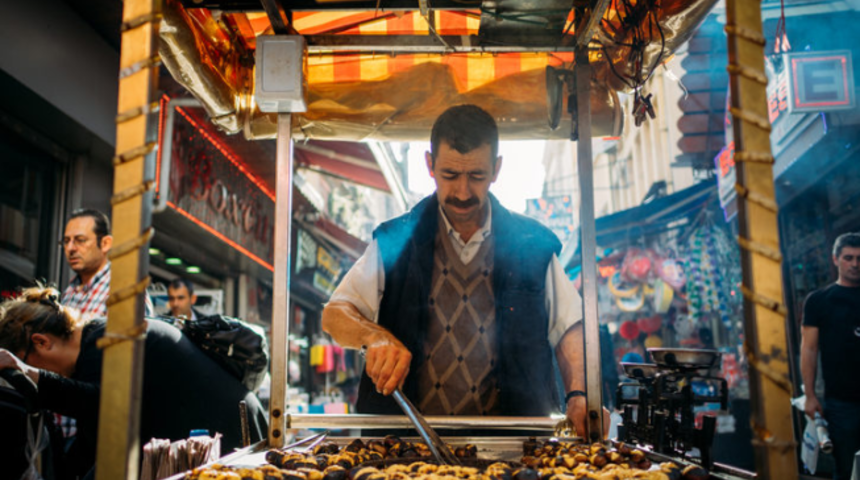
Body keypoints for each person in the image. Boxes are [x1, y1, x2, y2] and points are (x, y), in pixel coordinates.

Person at [322, 104, 591, 434]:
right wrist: (374, 336)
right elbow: (335, 313)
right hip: (409, 444)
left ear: (496, 169)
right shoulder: (397, 239)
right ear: (430, 164)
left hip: (515, 446)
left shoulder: (531, 243)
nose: (463, 192)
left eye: (476, 176)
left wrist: (579, 394)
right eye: (450, 175)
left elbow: (569, 326)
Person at [0, 286, 267, 480]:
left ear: (41, 342)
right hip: (219, 439)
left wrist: (24, 371)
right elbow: (91, 444)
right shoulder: (95, 347)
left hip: (236, 435)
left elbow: (98, 403)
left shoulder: (107, 340)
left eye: (30, 362)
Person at [801, 232, 860, 480]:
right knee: (846, 469)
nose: (855, 264)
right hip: (841, 403)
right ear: (835, 259)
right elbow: (809, 349)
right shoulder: (819, 301)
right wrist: (811, 395)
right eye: (849, 258)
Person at [60, 208, 154, 319]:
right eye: (66, 241)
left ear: (105, 243)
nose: (70, 248)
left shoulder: (124, 291)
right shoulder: (70, 290)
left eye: (80, 240)